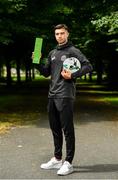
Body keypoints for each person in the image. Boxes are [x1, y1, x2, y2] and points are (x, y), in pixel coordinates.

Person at [35, 24, 93, 175]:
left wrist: (72, 76)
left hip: (65, 95)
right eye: (56, 34)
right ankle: (57, 159)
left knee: (67, 130)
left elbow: (88, 66)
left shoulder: (73, 51)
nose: (59, 36)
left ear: (67, 34)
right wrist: (36, 61)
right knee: (55, 129)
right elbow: (46, 73)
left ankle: (68, 162)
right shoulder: (52, 53)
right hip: (52, 95)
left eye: (62, 33)